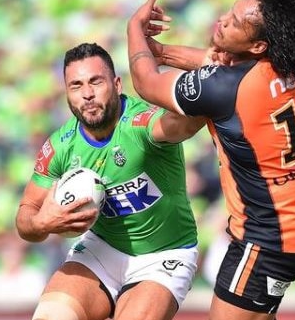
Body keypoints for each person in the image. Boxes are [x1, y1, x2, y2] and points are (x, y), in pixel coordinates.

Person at [127, 0, 295, 319]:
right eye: (229, 12)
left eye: (234, 22)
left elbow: (146, 83)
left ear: (258, 45)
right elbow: (213, 67)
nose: (222, 20)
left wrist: (134, 29)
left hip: (269, 234)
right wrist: (160, 51)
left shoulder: (230, 88)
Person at [15, 43, 206, 320]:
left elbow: (188, 122)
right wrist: (41, 223)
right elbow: (25, 216)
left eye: (96, 81)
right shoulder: (60, 146)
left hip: (164, 256)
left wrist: (211, 73)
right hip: (100, 250)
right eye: (76, 86)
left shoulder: (141, 124)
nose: (88, 94)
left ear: (116, 84)